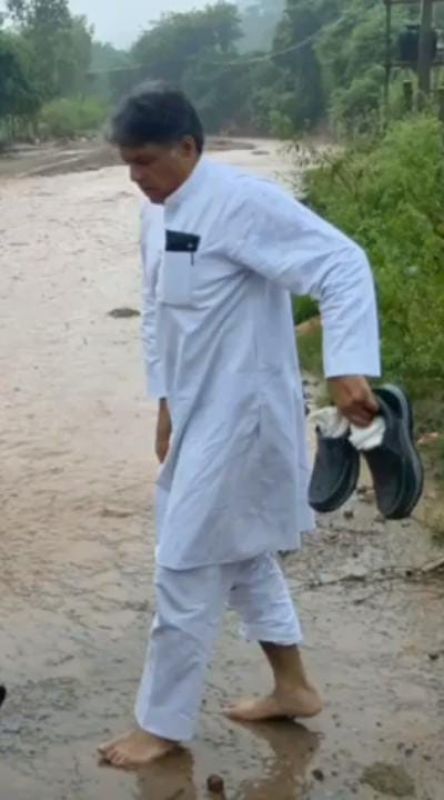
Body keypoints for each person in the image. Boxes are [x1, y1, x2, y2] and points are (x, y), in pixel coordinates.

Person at [98, 82, 380, 770]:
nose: (134, 178)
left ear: (188, 147)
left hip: (245, 417)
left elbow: (343, 265)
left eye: (143, 161)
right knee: (245, 556)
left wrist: (347, 366)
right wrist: (164, 403)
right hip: (197, 413)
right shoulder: (156, 214)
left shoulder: (242, 205)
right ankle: (294, 687)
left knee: (185, 563)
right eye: (127, 164)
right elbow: (161, 315)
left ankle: (159, 725)